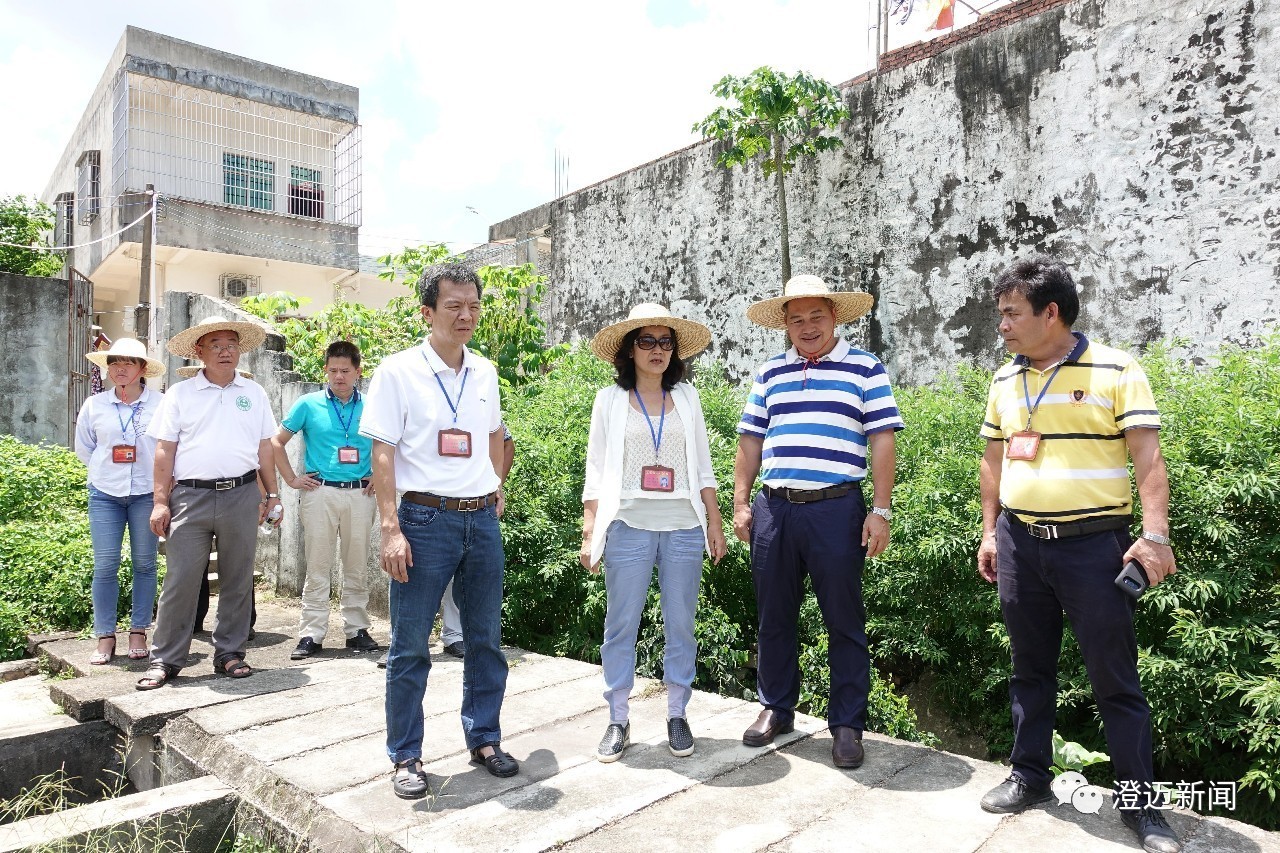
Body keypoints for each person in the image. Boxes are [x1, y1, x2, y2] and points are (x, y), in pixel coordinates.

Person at [975, 256, 1180, 853]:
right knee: (1028, 668)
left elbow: (1147, 459)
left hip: (1096, 547)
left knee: (1114, 677)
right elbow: (993, 462)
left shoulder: (1116, 369)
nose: (1003, 326)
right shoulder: (1003, 380)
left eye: (1012, 314)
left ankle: (1141, 807)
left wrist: (1155, 536)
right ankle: (1030, 776)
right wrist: (990, 532)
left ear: (1052, 312)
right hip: (1020, 541)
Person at [733, 275, 902, 770]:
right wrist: (742, 503)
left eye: (816, 317)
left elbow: (883, 439)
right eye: (796, 318)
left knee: (843, 619)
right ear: (784, 324)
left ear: (835, 318)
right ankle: (776, 707)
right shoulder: (769, 374)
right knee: (773, 614)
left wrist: (881, 510)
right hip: (775, 507)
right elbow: (749, 442)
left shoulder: (865, 368)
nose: (807, 327)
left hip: (836, 508)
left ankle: (847, 724)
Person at [360, 263, 516, 800]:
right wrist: (389, 528)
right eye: (454, 306)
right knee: (409, 647)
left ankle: (485, 738)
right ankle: (406, 755)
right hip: (423, 520)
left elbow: (495, 433)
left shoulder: (486, 371)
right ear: (427, 313)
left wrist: (496, 485)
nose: (466, 315)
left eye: (473, 305)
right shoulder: (397, 372)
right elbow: (381, 451)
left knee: (486, 640)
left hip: (480, 520)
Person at [581, 303, 727, 763]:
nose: (658, 350)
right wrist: (590, 531)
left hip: (683, 524)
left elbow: (702, 465)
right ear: (629, 350)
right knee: (621, 624)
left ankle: (678, 713)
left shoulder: (687, 398)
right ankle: (618, 719)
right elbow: (596, 470)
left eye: (666, 342)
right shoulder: (608, 401)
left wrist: (714, 522)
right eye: (647, 341)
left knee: (681, 623)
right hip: (627, 524)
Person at [137, 316, 281, 689]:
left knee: (237, 577)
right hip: (189, 496)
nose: (224, 350)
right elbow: (164, 450)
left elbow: (265, 447)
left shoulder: (255, 394)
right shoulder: (180, 395)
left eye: (231, 344)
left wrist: (273, 493)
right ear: (198, 351)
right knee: (181, 579)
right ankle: (165, 659)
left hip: (242, 494)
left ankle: (230, 653)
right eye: (215, 344)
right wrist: (160, 502)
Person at [271, 341, 380, 660]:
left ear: (358, 372)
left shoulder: (373, 405)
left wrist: (381, 474)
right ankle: (311, 632)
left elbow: (393, 444)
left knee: (356, 563)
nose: (338, 377)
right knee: (317, 564)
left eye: (345, 371)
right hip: (320, 492)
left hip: (361, 492)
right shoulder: (308, 404)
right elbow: (276, 443)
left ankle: (356, 629)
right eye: (332, 370)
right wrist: (291, 479)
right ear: (326, 371)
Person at [376, 427, 514, 669]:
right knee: (410, 611)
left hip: (477, 511)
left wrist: (496, 485)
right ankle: (397, 645)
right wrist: (389, 526)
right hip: (426, 509)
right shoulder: (412, 394)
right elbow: (383, 446)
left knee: (466, 601)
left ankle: (453, 636)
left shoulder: (480, 392)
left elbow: (504, 441)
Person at [75, 338, 166, 665]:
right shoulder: (94, 405)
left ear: (143, 369)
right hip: (105, 495)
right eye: (115, 362)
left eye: (129, 362)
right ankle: (105, 635)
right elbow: (85, 449)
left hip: (146, 493)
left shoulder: (161, 404)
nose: (121, 368)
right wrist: (108, 472)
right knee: (105, 565)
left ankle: (139, 630)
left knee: (144, 563)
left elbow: (169, 448)